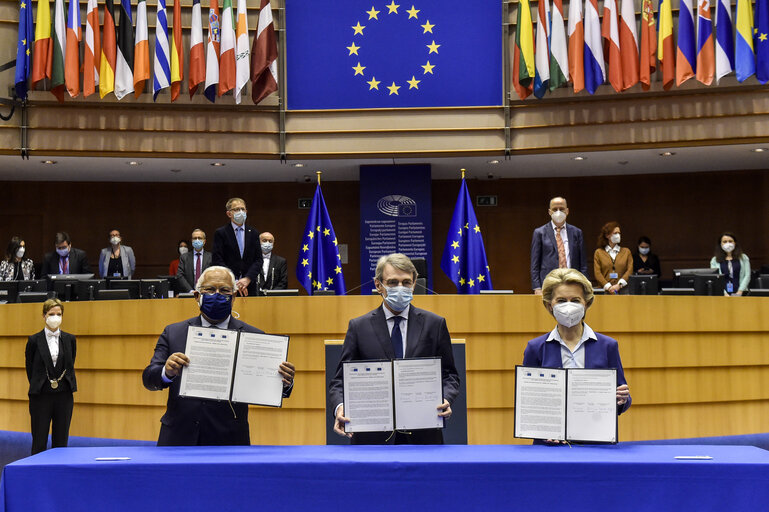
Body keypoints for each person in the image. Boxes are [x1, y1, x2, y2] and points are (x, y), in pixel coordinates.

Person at [142, 266, 295, 446]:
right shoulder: (174, 332)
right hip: (178, 438)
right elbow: (149, 379)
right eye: (209, 290)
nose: (216, 295)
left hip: (229, 441)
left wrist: (284, 382)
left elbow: (271, 388)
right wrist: (166, 372)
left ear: (234, 297)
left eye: (224, 290)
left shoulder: (254, 337)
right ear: (197, 296)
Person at [329, 253, 460, 445]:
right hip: (371, 437)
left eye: (406, 282)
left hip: (423, 436)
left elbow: (450, 375)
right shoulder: (359, 327)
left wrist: (446, 398)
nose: (400, 288)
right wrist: (340, 407)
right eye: (392, 282)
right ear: (378, 285)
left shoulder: (435, 324)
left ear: (415, 284)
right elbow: (340, 380)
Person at [522, 268, 631, 444]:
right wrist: (543, 431)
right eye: (561, 300)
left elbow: (622, 398)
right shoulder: (535, 348)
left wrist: (622, 398)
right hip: (550, 448)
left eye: (575, 300)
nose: (568, 306)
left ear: (587, 303)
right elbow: (528, 403)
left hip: (597, 444)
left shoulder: (607, 346)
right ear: (549, 305)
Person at [26, 298, 78, 454]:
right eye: (51, 314)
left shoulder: (70, 339)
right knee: (39, 440)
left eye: (59, 314)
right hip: (41, 396)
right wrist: (43, 384)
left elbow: (70, 363)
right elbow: (30, 369)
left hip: (64, 395)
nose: (55, 318)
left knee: (61, 442)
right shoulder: (34, 340)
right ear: (44, 316)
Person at [530, 197, 588, 294]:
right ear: (549, 212)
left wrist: (585, 285)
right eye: (555, 209)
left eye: (561, 209)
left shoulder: (576, 232)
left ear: (567, 211)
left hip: (573, 283)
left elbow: (583, 263)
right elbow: (535, 264)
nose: (558, 212)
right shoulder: (539, 233)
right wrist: (537, 287)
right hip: (549, 283)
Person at [212, 197, 262, 296]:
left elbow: (258, 260)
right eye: (236, 209)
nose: (240, 212)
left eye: (243, 209)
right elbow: (217, 259)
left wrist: (247, 278)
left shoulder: (254, 233)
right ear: (229, 213)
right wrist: (233, 280)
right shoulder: (221, 233)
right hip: (227, 285)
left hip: (248, 287)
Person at [593, 222, 633, 294]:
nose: (618, 235)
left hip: (623, 291)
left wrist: (619, 285)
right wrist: (608, 287)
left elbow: (630, 270)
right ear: (607, 235)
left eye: (619, 233)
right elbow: (597, 273)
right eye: (615, 233)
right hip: (605, 290)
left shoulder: (626, 252)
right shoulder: (599, 253)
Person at [710, 232, 751, 296]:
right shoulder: (714, 260)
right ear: (720, 244)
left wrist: (740, 291)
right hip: (723, 293)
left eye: (730, 241)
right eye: (725, 241)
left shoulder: (743, 257)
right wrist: (725, 293)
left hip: (741, 292)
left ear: (735, 243)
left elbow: (747, 275)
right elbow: (716, 279)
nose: (728, 243)